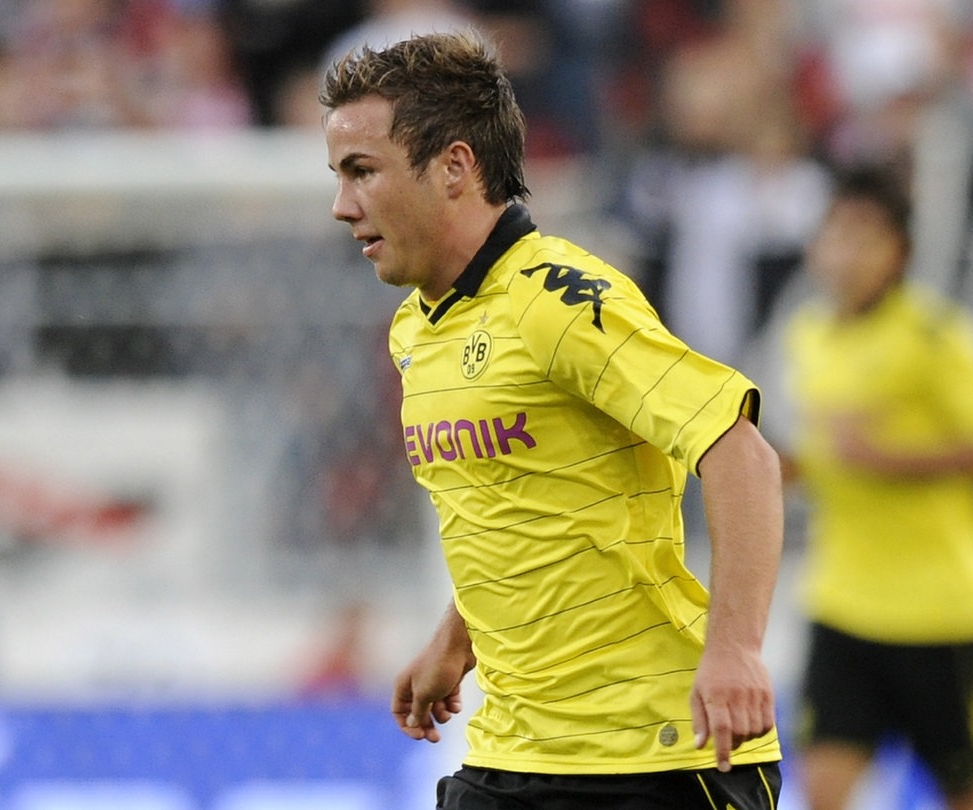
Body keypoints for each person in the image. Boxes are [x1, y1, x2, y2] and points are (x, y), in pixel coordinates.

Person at [319, 30, 785, 809]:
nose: (342, 206)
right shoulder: (416, 331)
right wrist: (456, 638)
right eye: (338, 176)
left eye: (362, 171)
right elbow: (518, 506)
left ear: (455, 167)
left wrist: (736, 650)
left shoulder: (560, 300)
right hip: (511, 753)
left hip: (657, 759)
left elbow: (743, 457)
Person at [772, 167, 973, 810]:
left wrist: (890, 459)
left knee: (965, 790)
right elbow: (825, 455)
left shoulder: (936, 336)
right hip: (842, 603)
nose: (847, 254)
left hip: (937, 611)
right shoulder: (809, 335)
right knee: (821, 791)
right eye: (838, 236)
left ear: (899, 253)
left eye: (867, 239)